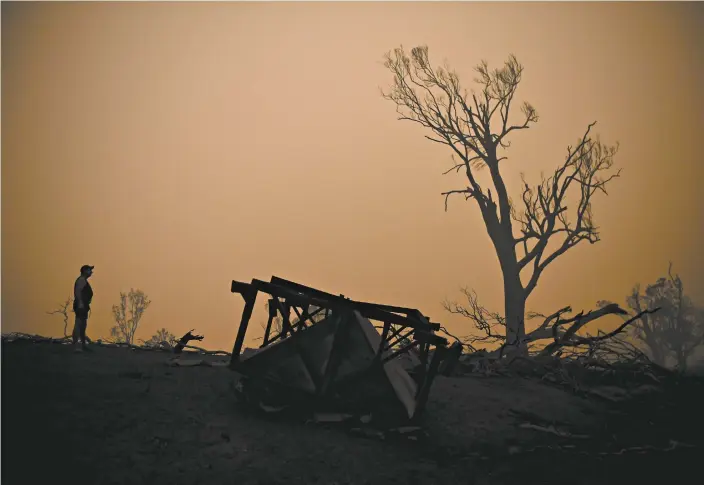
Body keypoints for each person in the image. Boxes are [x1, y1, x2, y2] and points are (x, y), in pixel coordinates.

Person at [72, 265, 94, 352]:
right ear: (85, 271)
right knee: (78, 324)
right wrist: (80, 303)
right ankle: (75, 346)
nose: (91, 272)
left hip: (84, 305)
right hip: (80, 305)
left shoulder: (83, 280)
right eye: (89, 270)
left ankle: (83, 345)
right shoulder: (81, 280)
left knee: (83, 326)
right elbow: (78, 292)